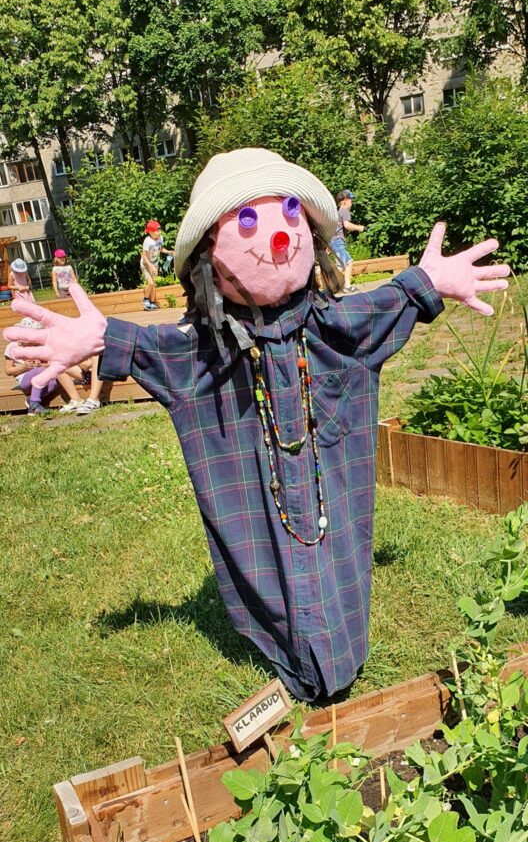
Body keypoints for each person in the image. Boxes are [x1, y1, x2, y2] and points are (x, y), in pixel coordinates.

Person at [5, 148, 510, 701]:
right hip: (256, 501)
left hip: (330, 501)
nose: (278, 235)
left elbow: (389, 302)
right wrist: (99, 339)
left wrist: (427, 282)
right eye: (246, 220)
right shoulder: (206, 353)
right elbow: (152, 346)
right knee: (264, 557)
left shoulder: (335, 328)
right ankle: (289, 648)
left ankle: (337, 646)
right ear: (209, 255)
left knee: (337, 551)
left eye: (290, 212)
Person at [4, 337, 85, 415]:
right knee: (40, 371)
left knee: (59, 378)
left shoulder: (40, 345)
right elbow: (8, 371)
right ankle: (34, 402)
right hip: (24, 379)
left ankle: (32, 401)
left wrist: (40, 364)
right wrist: (23, 367)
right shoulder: (12, 347)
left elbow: (49, 365)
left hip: (42, 378)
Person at [328, 189, 365, 293]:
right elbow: (347, 225)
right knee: (347, 262)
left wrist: (329, 248)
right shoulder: (344, 211)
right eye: (350, 200)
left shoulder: (337, 213)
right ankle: (345, 286)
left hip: (334, 242)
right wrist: (359, 228)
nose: (351, 203)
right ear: (345, 201)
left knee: (342, 265)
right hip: (338, 242)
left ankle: (335, 287)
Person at [141, 220, 172, 311]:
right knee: (150, 283)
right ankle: (145, 300)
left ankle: (151, 302)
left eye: (160, 230)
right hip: (146, 263)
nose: (160, 232)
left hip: (154, 263)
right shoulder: (147, 241)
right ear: (151, 232)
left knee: (153, 284)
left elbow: (160, 249)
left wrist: (168, 252)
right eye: (157, 231)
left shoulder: (160, 238)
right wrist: (151, 266)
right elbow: (144, 256)